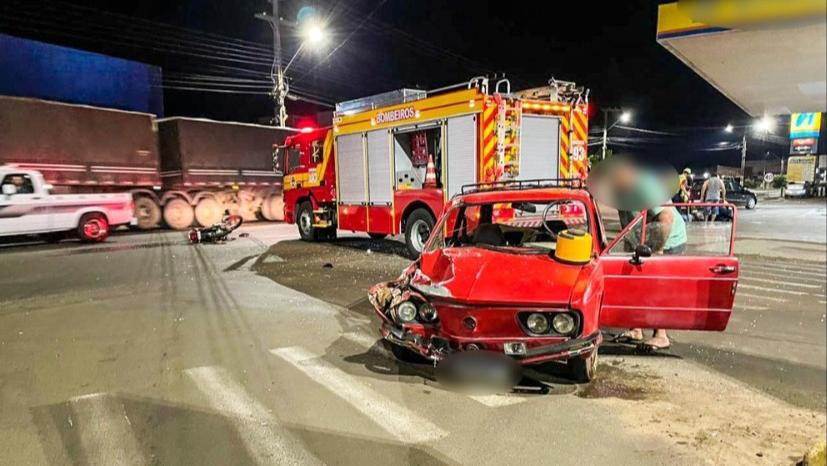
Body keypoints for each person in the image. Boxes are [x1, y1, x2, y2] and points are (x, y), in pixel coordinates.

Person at [612, 166, 688, 352]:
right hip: (645, 237)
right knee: (636, 284)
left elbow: (666, 218)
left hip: (669, 239)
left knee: (656, 287)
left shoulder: (645, 188)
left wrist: (657, 252)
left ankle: (661, 335)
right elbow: (629, 222)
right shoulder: (618, 191)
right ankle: (636, 329)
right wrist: (630, 248)